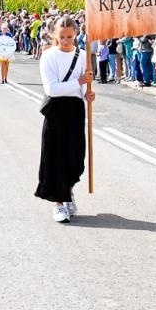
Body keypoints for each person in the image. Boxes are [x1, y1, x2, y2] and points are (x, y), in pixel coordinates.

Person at [36, 16, 95, 223]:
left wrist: (87, 93)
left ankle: (68, 192)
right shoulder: (48, 57)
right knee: (55, 157)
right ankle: (58, 203)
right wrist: (79, 82)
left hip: (75, 110)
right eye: (62, 37)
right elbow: (52, 89)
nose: (66, 41)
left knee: (75, 157)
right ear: (55, 35)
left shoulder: (82, 55)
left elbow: (82, 87)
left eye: (70, 37)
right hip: (56, 111)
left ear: (76, 34)